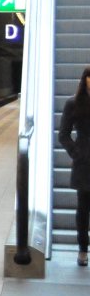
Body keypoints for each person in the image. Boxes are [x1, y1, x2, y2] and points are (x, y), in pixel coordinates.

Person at [59, 66, 90, 265]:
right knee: (83, 208)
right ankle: (82, 249)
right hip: (84, 162)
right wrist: (77, 152)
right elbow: (63, 134)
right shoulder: (73, 104)